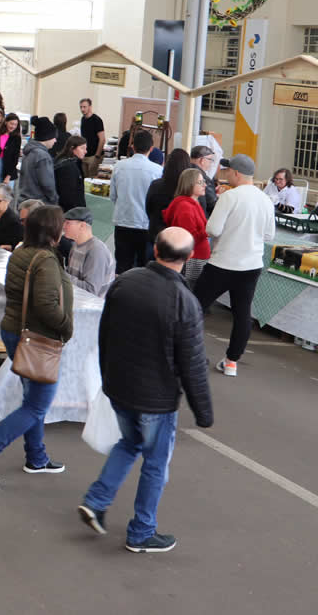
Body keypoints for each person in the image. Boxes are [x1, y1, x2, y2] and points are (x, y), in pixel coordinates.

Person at [77, 227, 213, 554]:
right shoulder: (185, 302)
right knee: (155, 462)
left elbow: (104, 333)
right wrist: (204, 412)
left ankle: (96, 501)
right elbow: (193, 364)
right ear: (189, 257)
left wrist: (106, 375)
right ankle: (141, 531)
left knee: (129, 441)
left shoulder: (126, 281)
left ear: (155, 250)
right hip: (157, 399)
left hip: (121, 387)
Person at [0, 205, 74, 484]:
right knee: (38, 404)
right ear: (52, 230)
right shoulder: (46, 260)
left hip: (17, 332)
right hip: (39, 337)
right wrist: (66, 326)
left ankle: (36, 457)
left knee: (32, 399)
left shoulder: (21, 253)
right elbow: (47, 305)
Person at [193, 154, 274, 378]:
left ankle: (184, 352)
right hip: (251, 265)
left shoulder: (230, 197)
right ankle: (231, 362)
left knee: (195, 306)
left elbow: (213, 230)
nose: (225, 173)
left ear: (236, 173)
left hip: (223, 262)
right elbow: (269, 234)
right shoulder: (265, 199)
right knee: (242, 313)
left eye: (228, 170)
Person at [110, 129, 163, 273]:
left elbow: (113, 196)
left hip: (123, 221)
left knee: (122, 264)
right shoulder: (157, 170)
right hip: (145, 224)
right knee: (143, 267)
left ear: (132, 147)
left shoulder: (119, 166)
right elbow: (157, 201)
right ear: (151, 149)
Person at [162, 168, 210, 285]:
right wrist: (208, 231)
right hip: (192, 259)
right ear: (189, 184)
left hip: (196, 256)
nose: (204, 185)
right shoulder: (185, 207)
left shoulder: (193, 203)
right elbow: (188, 238)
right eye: (200, 182)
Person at [62, 206, 114, 296]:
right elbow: (71, 275)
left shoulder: (96, 251)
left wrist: (61, 275)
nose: (63, 226)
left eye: (68, 223)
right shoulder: (75, 246)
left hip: (94, 307)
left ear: (82, 225)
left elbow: (91, 290)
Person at [145, 149, 192, 243]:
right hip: (180, 238)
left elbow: (148, 208)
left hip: (156, 234)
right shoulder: (189, 189)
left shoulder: (156, 185)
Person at [18, 116, 58, 206]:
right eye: (53, 137)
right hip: (38, 205)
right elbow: (47, 184)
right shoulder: (42, 156)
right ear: (47, 137)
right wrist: (54, 199)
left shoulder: (29, 152)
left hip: (24, 202)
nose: (55, 140)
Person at [54, 135, 87, 213]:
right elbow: (68, 195)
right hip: (71, 211)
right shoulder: (67, 166)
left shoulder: (69, 162)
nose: (85, 151)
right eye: (82, 148)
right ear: (72, 148)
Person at [189, 144, 219, 217]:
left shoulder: (186, 172)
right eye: (210, 160)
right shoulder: (201, 177)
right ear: (202, 160)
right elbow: (211, 203)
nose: (211, 163)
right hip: (201, 216)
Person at [79, 98, 107, 177]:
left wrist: (97, 156)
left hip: (94, 156)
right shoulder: (83, 119)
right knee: (85, 179)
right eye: (81, 107)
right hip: (85, 155)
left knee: (92, 179)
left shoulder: (97, 120)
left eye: (84, 107)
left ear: (90, 107)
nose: (82, 109)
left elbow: (102, 139)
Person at [0, 113, 22, 184]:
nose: (13, 126)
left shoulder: (16, 137)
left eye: (15, 124)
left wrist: (8, 176)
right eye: (11, 123)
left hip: (10, 168)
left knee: (7, 193)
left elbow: (15, 158)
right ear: (6, 122)